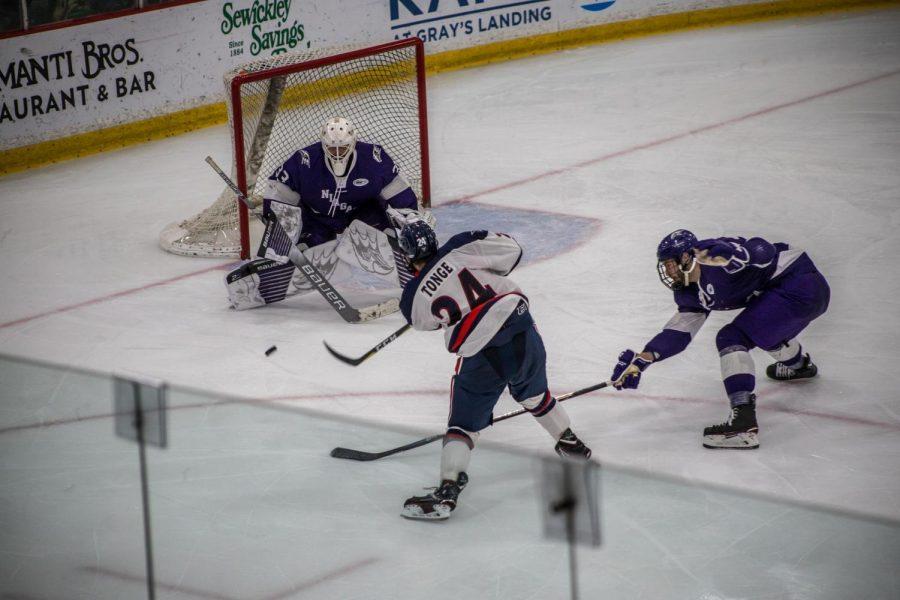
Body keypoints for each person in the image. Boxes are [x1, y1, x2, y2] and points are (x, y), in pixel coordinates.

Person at [395, 219, 592, 521]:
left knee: (462, 426)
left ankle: (448, 490)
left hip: (480, 352)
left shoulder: (411, 298)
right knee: (535, 394)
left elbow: (426, 322)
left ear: (408, 255)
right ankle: (570, 443)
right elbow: (512, 250)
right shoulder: (460, 246)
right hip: (521, 328)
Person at [608, 229, 830, 449]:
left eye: (670, 264)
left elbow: (764, 250)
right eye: (664, 266)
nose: (668, 271)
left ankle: (742, 424)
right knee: (764, 332)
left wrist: (741, 255)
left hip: (800, 284)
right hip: (788, 293)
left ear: (686, 257)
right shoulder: (689, 291)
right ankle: (800, 367)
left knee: (731, 337)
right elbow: (680, 332)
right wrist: (643, 359)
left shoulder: (712, 254)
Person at [225, 117, 431, 311]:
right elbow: (277, 190)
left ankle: (419, 274)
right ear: (323, 145)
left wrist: (411, 220)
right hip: (316, 219)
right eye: (333, 148)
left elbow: (399, 194)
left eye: (343, 148)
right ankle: (267, 281)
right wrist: (279, 227)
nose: (338, 153)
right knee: (304, 250)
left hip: (364, 214)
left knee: (393, 237)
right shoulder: (304, 161)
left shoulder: (373, 159)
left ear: (353, 143)